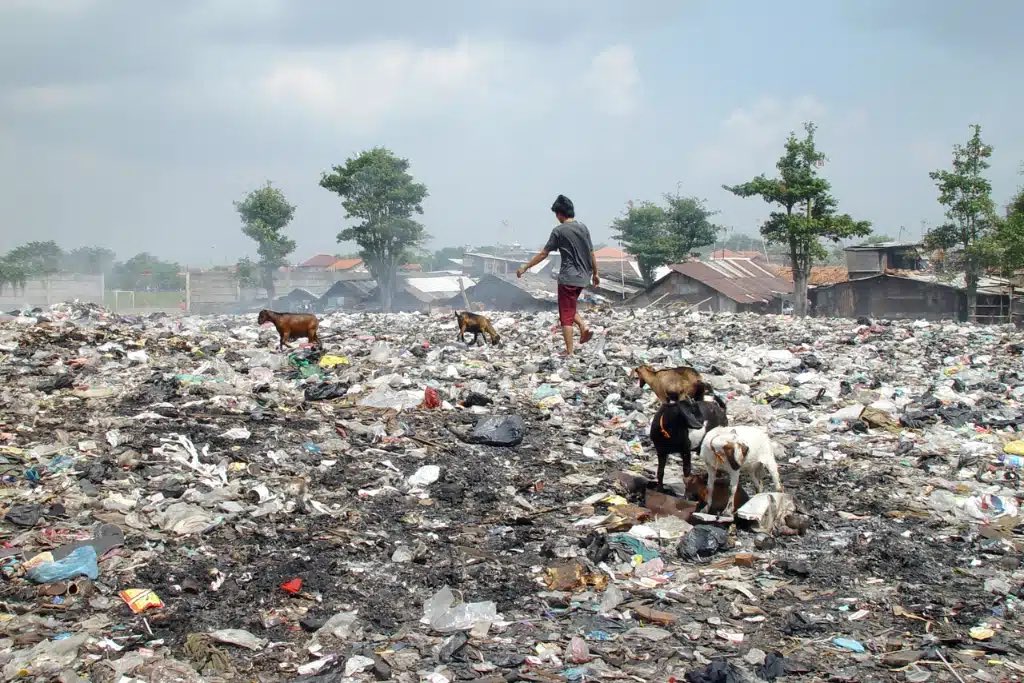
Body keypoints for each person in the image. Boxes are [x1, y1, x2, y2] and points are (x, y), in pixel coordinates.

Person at [517, 194, 599, 356]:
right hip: (583, 277)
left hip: (568, 278)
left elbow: (544, 254)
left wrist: (525, 267)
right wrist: (596, 274)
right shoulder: (583, 228)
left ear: (560, 213)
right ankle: (583, 327)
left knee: (565, 316)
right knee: (569, 307)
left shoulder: (559, 231)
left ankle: (569, 351)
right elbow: (591, 253)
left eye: (556, 214)